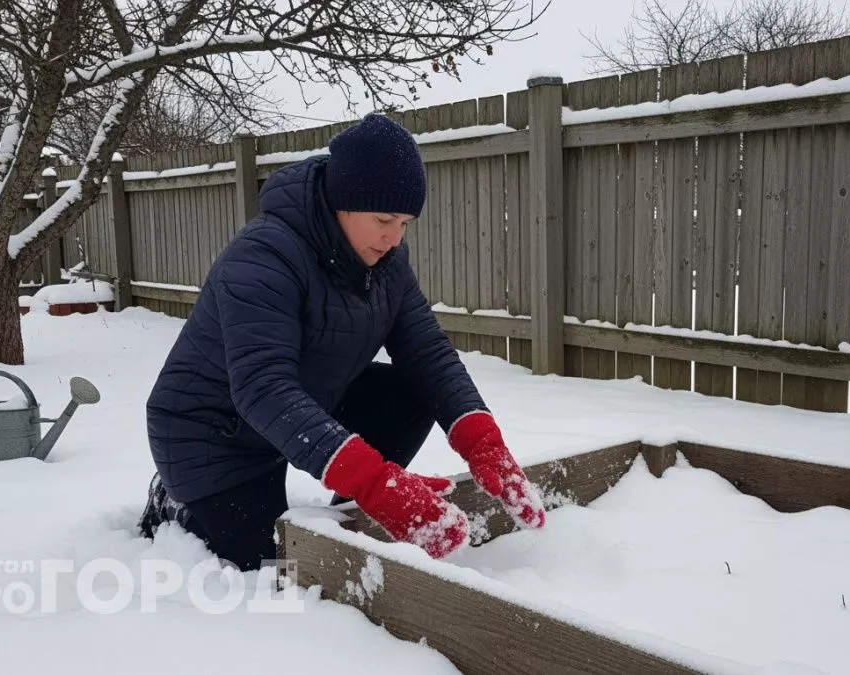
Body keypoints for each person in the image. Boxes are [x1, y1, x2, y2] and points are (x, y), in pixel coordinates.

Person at [138, 113, 546, 571]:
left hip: (294, 408)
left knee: (410, 391)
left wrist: (483, 443)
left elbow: (427, 352)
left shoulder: (386, 262)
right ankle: (176, 505)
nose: (394, 237)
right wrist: (376, 484)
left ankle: (343, 508)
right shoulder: (263, 257)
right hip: (212, 432)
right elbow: (263, 388)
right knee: (276, 564)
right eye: (384, 219)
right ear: (341, 204)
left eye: (407, 223)